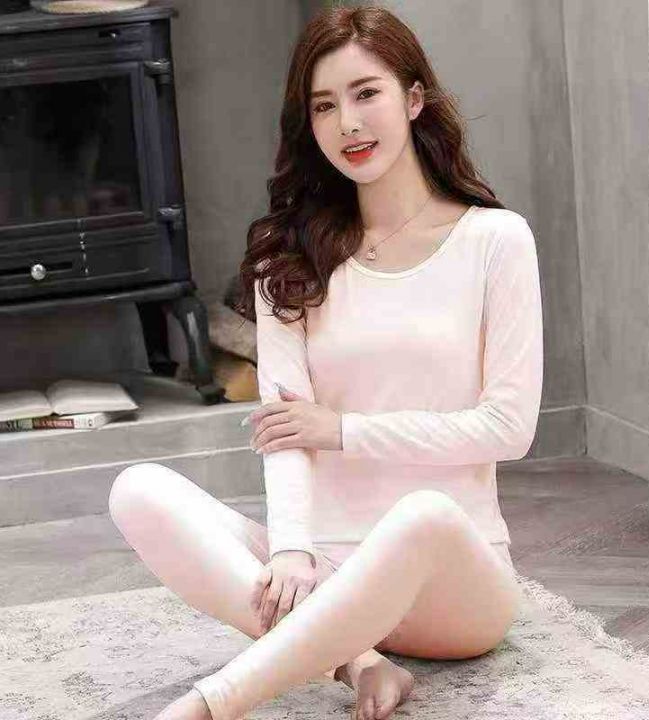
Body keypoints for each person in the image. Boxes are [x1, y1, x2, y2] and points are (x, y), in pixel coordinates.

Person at [107, 5, 543, 720]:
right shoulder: (288, 258)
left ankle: (209, 706)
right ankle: (358, 662)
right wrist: (290, 549)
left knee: (423, 514)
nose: (348, 123)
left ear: (413, 98)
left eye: (366, 93)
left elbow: (509, 428)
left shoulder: (497, 240)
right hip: (328, 576)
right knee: (139, 490)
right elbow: (285, 433)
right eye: (324, 105)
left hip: (451, 587)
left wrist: (341, 430)